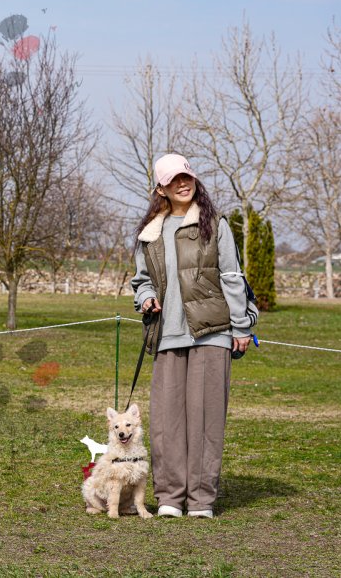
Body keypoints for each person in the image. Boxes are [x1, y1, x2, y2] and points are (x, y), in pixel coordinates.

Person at [130, 153, 256, 519]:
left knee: (205, 421)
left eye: (186, 177)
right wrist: (146, 297)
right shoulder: (150, 232)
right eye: (173, 181)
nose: (182, 184)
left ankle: (201, 500)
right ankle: (170, 497)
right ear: (161, 189)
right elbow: (141, 280)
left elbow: (232, 276)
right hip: (167, 335)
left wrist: (241, 326)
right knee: (166, 423)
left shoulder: (214, 224)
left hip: (212, 333)